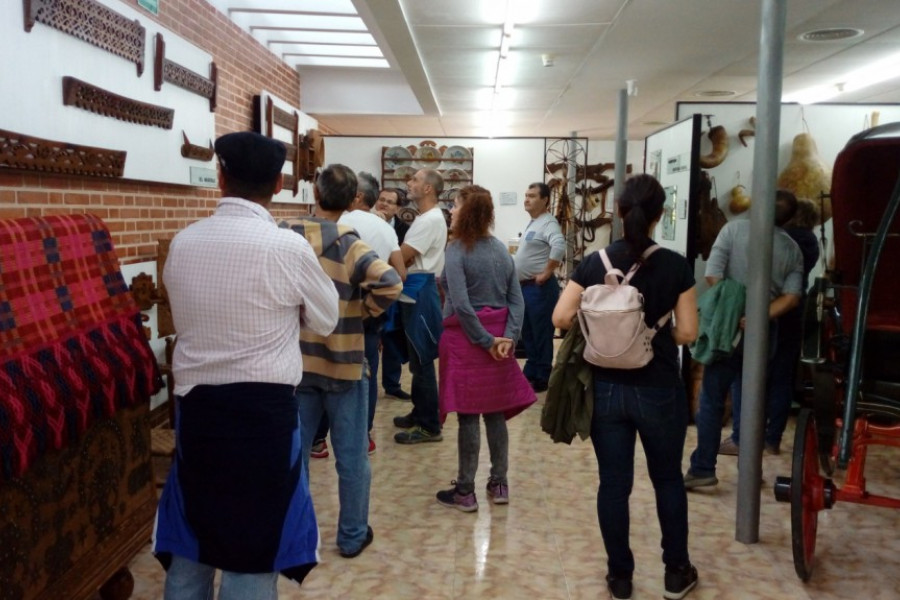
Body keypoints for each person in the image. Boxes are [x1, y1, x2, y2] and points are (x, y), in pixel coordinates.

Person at [153, 131, 340, 598]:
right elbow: (327, 318)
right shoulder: (286, 248)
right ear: (279, 184)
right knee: (255, 544)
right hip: (264, 415)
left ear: (220, 177)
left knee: (193, 536)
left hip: (197, 411)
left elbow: (183, 310)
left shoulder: (185, 242)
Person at [552, 174, 699, 600]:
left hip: (606, 388)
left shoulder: (594, 262)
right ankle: (676, 572)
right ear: (659, 214)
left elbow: (560, 318)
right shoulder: (675, 265)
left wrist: (601, 329)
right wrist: (654, 333)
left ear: (617, 211)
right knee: (667, 479)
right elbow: (688, 332)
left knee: (613, 484)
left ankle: (620, 577)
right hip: (658, 388)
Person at [283, 164, 402, 560]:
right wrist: (361, 312)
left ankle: (296, 534)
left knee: (295, 455)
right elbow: (391, 282)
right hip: (345, 363)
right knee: (351, 458)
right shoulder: (350, 244)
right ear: (353, 200)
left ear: (315, 194)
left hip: (296, 363)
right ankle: (351, 536)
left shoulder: (286, 235)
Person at [686, 189, 804, 488]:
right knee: (751, 398)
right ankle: (751, 471)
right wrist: (758, 315)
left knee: (712, 398)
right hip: (765, 331)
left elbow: (713, 275)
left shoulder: (733, 230)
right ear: (790, 217)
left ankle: (703, 469)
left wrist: (736, 310)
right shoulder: (792, 248)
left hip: (728, 327)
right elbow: (791, 298)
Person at [434, 185, 536, 512]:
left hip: (468, 341)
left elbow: (462, 306)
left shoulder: (456, 250)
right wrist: (507, 339)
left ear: (468, 211)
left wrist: (486, 341)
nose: (451, 210)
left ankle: (466, 490)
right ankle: (499, 482)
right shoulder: (500, 251)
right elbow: (516, 300)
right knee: (495, 412)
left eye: (455, 205)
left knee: (468, 415)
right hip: (499, 343)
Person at [720, 193, 820, 457]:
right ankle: (772, 438)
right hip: (792, 315)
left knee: (747, 376)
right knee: (781, 379)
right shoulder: (809, 242)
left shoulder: (787, 242)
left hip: (767, 312)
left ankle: (742, 437)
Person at [340, 172, 407, 454]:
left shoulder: (339, 222)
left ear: (356, 196)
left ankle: (319, 438)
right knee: (367, 369)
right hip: (371, 308)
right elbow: (400, 273)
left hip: (338, 305)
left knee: (328, 372)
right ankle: (363, 435)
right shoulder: (385, 228)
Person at [392, 168, 448, 444]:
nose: (409, 183)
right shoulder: (425, 218)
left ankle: (429, 426)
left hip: (421, 290)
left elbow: (403, 255)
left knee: (423, 359)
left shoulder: (431, 219)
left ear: (428, 188)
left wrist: (394, 254)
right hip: (416, 287)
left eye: (414, 180)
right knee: (416, 359)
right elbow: (408, 257)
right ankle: (421, 410)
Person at [514, 182, 566, 392]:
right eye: (526, 195)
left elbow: (559, 245)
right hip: (526, 288)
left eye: (532, 196)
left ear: (545, 200)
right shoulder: (535, 222)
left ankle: (542, 375)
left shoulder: (548, 223)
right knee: (528, 332)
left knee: (541, 333)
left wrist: (546, 272)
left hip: (540, 289)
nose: (527, 199)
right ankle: (532, 370)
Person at [376, 187, 414, 400]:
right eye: (381, 200)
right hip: (368, 286)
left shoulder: (404, 229)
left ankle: (392, 384)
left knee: (390, 337)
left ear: (398, 208)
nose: (384, 204)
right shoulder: (367, 222)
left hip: (392, 286)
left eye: (390, 202)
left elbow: (406, 259)